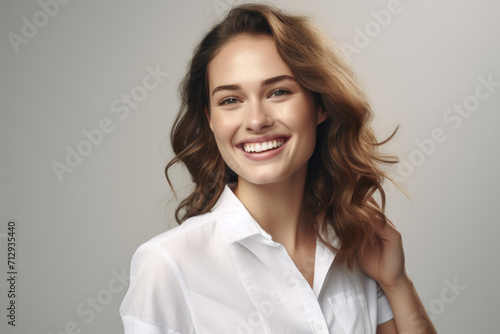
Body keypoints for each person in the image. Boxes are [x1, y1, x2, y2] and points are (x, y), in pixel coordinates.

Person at [120, 3, 437, 333]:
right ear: (210, 119)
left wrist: (396, 282)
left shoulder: (358, 249)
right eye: (231, 100)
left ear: (320, 105)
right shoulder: (167, 265)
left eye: (279, 92)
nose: (256, 120)